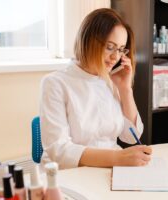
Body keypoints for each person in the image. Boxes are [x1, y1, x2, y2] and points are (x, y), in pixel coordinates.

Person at [40, 8, 152, 169]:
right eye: (110, 47)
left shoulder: (110, 82)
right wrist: (116, 158)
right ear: (89, 40)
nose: (116, 57)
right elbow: (59, 150)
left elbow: (131, 137)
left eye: (120, 49)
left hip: (109, 170)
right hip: (71, 173)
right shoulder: (55, 83)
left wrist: (125, 89)